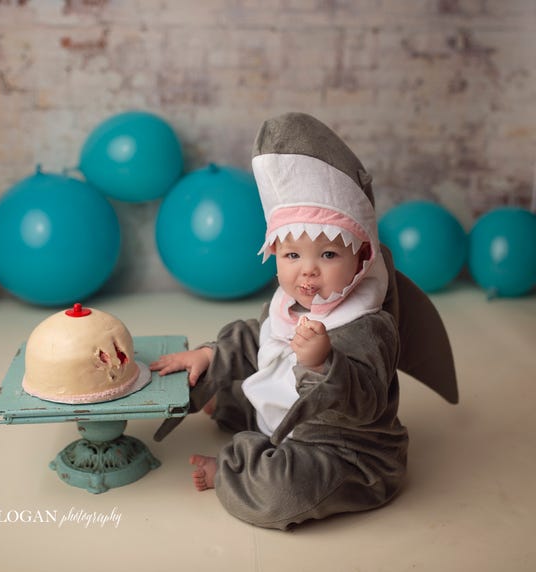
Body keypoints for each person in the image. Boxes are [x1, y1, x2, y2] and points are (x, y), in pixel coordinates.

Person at [150, 112, 457, 530]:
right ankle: (232, 408)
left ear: (361, 258)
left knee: (284, 493)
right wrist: (209, 353)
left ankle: (236, 470)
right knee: (240, 379)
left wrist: (324, 364)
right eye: (292, 255)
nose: (307, 272)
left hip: (345, 448)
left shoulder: (367, 323)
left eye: (329, 255)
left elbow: (365, 396)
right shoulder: (291, 301)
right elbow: (258, 338)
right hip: (289, 420)